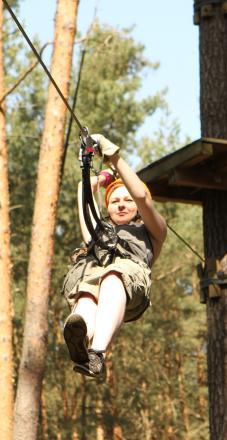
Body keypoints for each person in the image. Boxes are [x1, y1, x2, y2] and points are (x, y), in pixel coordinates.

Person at [61, 134, 167, 380]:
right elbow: (83, 189)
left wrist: (115, 159)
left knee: (112, 276)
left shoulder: (153, 231)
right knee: (87, 297)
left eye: (126, 201)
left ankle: (98, 354)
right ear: (107, 207)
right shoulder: (99, 232)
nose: (121, 205)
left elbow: (141, 196)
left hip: (128, 282)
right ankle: (80, 335)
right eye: (115, 201)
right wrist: (105, 177)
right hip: (97, 276)